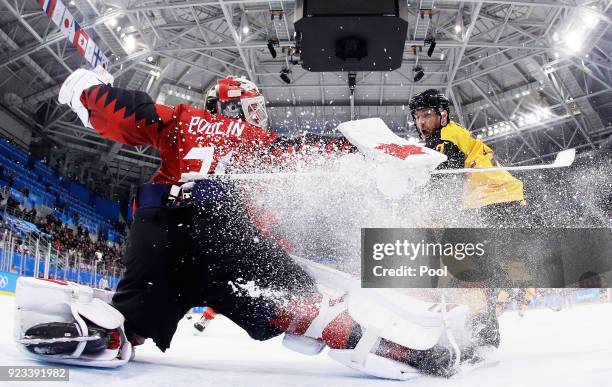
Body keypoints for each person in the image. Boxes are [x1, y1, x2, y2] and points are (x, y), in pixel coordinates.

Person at [14, 68, 481, 379]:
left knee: (133, 327)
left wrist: (86, 90)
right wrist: (382, 157)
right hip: (224, 228)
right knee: (308, 311)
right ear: (236, 106)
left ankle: (95, 324)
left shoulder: (182, 120)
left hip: (161, 229)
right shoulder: (264, 144)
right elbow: (322, 157)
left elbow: (126, 113)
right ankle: (417, 355)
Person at [409, 89, 527, 227]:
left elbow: (447, 179)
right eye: (417, 117)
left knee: (457, 245)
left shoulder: (444, 138)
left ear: (443, 115)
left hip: (493, 198)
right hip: (505, 196)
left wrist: (431, 209)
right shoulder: (452, 132)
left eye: (427, 115)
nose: (421, 122)